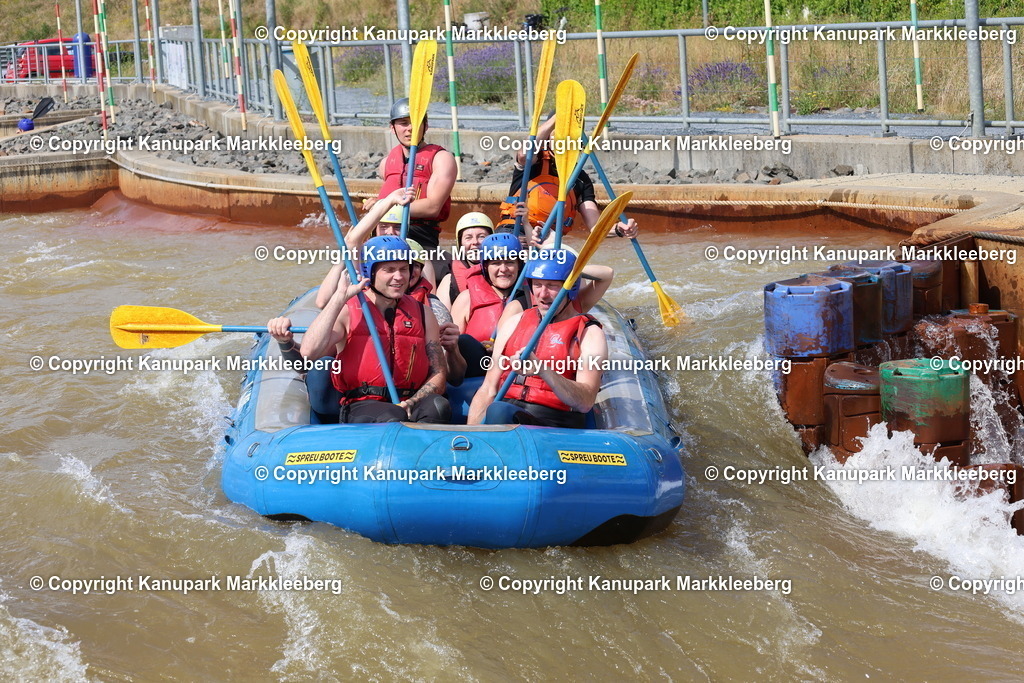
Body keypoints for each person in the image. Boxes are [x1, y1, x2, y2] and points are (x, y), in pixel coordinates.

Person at [273, 236, 450, 424]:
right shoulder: (348, 310)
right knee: (391, 416)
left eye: (403, 269)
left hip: (411, 400)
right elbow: (309, 352)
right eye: (389, 270)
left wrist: (412, 402)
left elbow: (438, 372)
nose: (399, 277)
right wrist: (339, 298)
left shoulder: (424, 313)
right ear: (370, 272)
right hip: (361, 404)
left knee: (439, 406)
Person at [467, 249, 608, 429]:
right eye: (538, 285)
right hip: (508, 414)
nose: (542, 294)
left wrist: (543, 370)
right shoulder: (514, 323)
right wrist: (471, 435)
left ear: (571, 288)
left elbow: (585, 401)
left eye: (552, 285)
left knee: (499, 412)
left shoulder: (589, 333)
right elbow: (488, 389)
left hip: (554, 423)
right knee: (497, 410)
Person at [500, 114, 637, 241]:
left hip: (546, 241)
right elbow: (524, 154)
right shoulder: (536, 162)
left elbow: (596, 228)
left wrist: (620, 229)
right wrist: (558, 117)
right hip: (516, 232)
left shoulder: (580, 178)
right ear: (548, 139)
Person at [368, 98, 457, 250]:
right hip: (385, 233)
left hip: (419, 235)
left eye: (415, 123)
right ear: (392, 127)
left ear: (426, 126)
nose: (410, 128)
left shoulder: (441, 158)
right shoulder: (386, 163)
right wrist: (377, 203)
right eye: (403, 123)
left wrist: (382, 205)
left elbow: (433, 207)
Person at [440, 232, 528, 384]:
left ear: (519, 265)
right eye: (495, 263)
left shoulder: (533, 297)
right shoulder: (466, 298)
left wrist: (501, 347)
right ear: (485, 267)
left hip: (515, 368)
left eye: (509, 262)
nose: (503, 269)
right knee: (465, 342)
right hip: (476, 370)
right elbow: (452, 346)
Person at [435, 211, 493, 310]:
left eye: (481, 237)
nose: (475, 242)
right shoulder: (448, 281)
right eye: (468, 238)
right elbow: (442, 319)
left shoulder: (501, 273)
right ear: (460, 244)